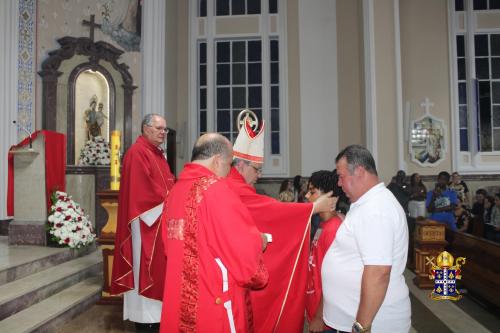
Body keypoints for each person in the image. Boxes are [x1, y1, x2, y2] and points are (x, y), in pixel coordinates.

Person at [226, 113, 336, 332]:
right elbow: (272, 212)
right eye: (256, 169)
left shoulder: (236, 186)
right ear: (240, 166)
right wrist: (313, 208)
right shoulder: (233, 188)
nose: (259, 175)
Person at [160, 133, 269, 332]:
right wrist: (258, 240)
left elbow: (169, 247)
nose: (228, 173)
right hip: (212, 299)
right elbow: (239, 248)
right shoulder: (217, 191)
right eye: (228, 165)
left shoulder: (174, 191)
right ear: (217, 160)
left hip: (180, 298)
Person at [322, 145, 411, 333]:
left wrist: (361, 326)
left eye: (341, 176)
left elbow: (378, 272)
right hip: (349, 320)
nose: (338, 183)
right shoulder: (365, 203)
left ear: (360, 172)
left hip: (373, 324)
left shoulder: (376, 209)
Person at [110, 114, 175, 331]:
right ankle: (146, 321)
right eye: (159, 128)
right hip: (146, 224)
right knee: (145, 271)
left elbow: (168, 185)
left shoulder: (158, 155)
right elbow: (142, 193)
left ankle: (157, 319)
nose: (163, 132)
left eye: (165, 129)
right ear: (145, 128)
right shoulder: (137, 153)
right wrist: (171, 201)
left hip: (159, 223)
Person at [305, 170, 347, 333]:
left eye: (313, 191)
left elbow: (335, 279)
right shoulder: (323, 226)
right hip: (316, 308)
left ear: (329, 196)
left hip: (327, 319)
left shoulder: (334, 230)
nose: (307, 196)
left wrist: (319, 317)